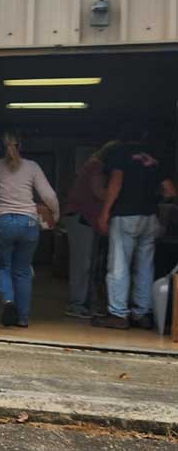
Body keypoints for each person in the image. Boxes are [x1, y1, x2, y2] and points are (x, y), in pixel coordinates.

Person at [92, 128, 176, 330]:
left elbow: (116, 182)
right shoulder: (155, 156)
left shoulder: (119, 153)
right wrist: (151, 197)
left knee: (119, 265)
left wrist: (105, 211)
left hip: (125, 215)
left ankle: (118, 314)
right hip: (150, 217)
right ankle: (142, 313)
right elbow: (170, 191)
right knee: (145, 267)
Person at [0, 132, 59, 328]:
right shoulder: (32, 167)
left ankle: (8, 302)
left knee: (2, 266)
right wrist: (56, 215)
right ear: (21, 146)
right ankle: (23, 318)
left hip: (1, 221)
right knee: (23, 271)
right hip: (28, 222)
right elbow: (48, 195)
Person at [62, 142, 116, 319]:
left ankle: (86, 304)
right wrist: (118, 190)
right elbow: (99, 192)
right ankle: (76, 305)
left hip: (85, 219)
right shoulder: (96, 166)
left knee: (89, 264)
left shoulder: (92, 165)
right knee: (82, 264)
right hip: (81, 218)